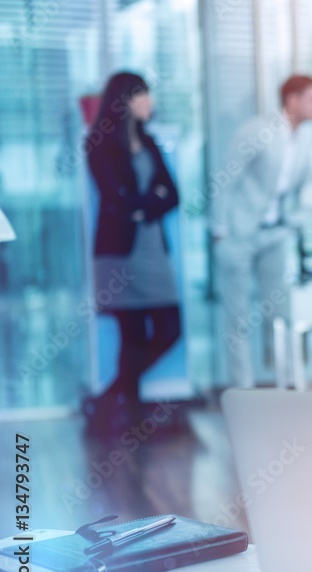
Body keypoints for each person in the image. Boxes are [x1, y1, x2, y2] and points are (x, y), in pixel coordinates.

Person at [83, 71, 181, 432]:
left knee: (170, 329)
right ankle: (133, 419)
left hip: (153, 250)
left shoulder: (150, 143)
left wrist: (142, 206)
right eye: (143, 96)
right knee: (133, 337)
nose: (150, 103)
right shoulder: (99, 145)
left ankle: (107, 399)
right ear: (124, 101)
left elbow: (173, 195)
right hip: (119, 254)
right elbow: (115, 199)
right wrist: (146, 202)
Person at [213, 75, 312, 388]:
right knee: (239, 319)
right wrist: (219, 230)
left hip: (275, 234)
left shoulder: (306, 139)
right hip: (238, 233)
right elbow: (225, 178)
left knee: (279, 311)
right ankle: (243, 392)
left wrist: (295, 220)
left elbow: (305, 188)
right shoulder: (257, 131)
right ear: (292, 100)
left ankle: (284, 383)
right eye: (311, 98)